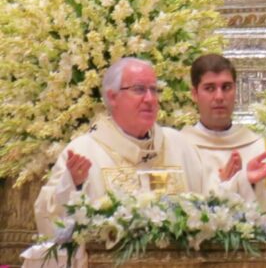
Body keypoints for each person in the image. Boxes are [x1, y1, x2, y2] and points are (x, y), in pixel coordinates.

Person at [34, 58, 213, 235]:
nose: (150, 99)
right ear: (112, 97)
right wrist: (71, 184)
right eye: (139, 89)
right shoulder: (83, 152)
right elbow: (49, 221)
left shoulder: (180, 146)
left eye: (154, 89)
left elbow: (214, 206)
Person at [180, 54, 266, 239]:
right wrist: (228, 187)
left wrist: (254, 187)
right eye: (209, 88)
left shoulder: (261, 149)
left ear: (235, 90)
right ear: (194, 94)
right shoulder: (180, 147)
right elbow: (172, 209)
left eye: (226, 87)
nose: (219, 96)